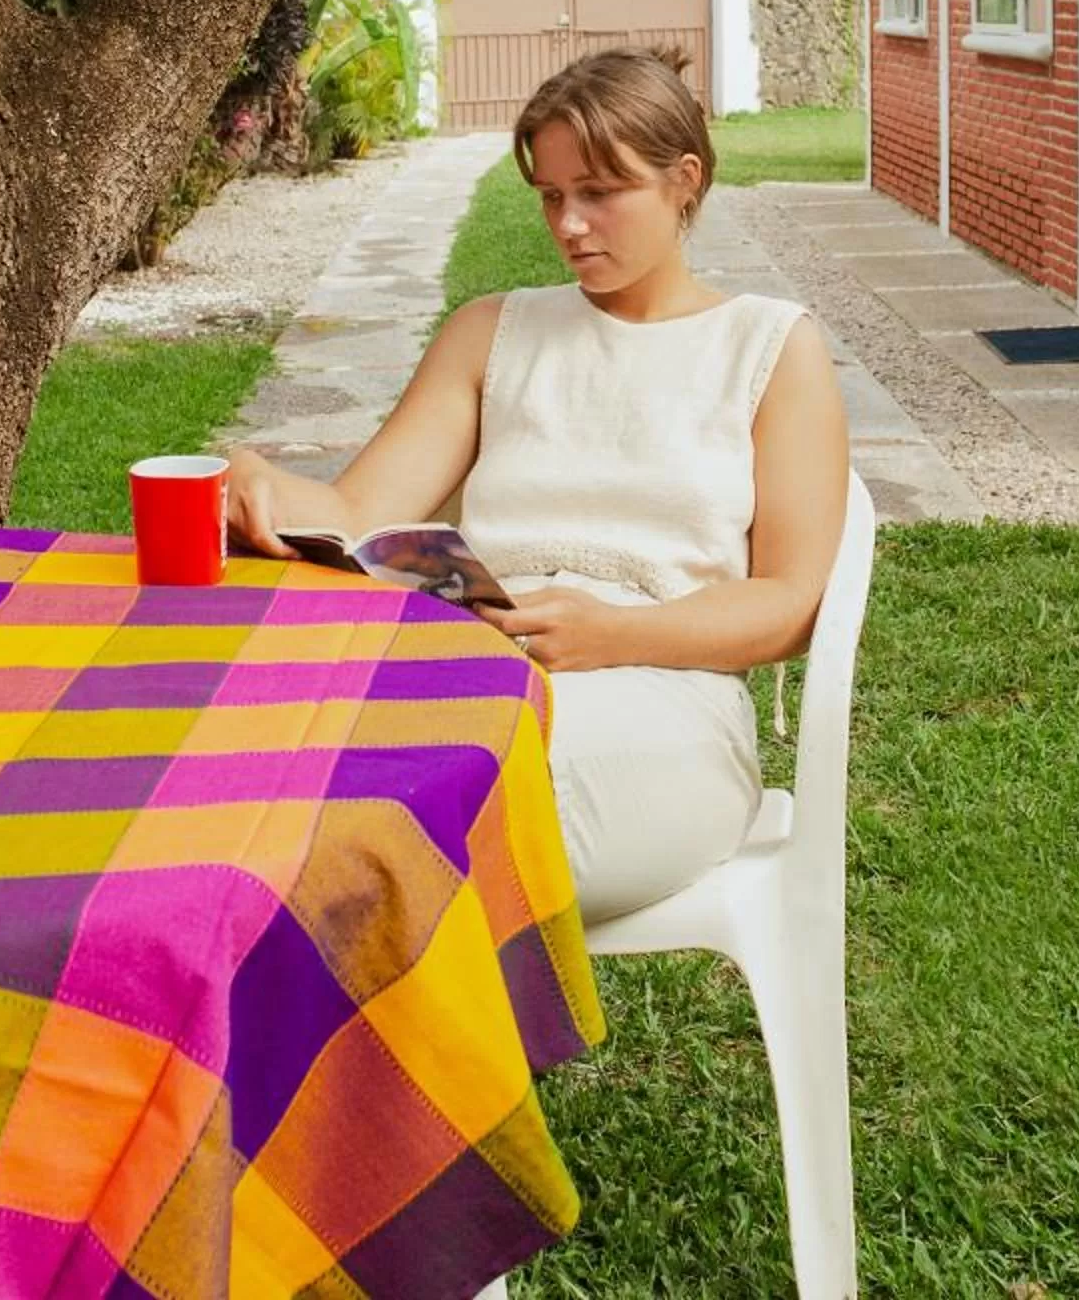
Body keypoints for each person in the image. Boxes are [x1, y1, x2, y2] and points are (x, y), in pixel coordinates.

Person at [224, 48, 851, 921]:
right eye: (552, 195)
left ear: (685, 180)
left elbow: (790, 604)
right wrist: (253, 478)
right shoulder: (492, 333)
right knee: (293, 782)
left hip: (664, 700)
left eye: (600, 191)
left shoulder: (771, 347)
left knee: (389, 834)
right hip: (469, 673)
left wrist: (618, 632)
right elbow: (356, 515)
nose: (569, 225)